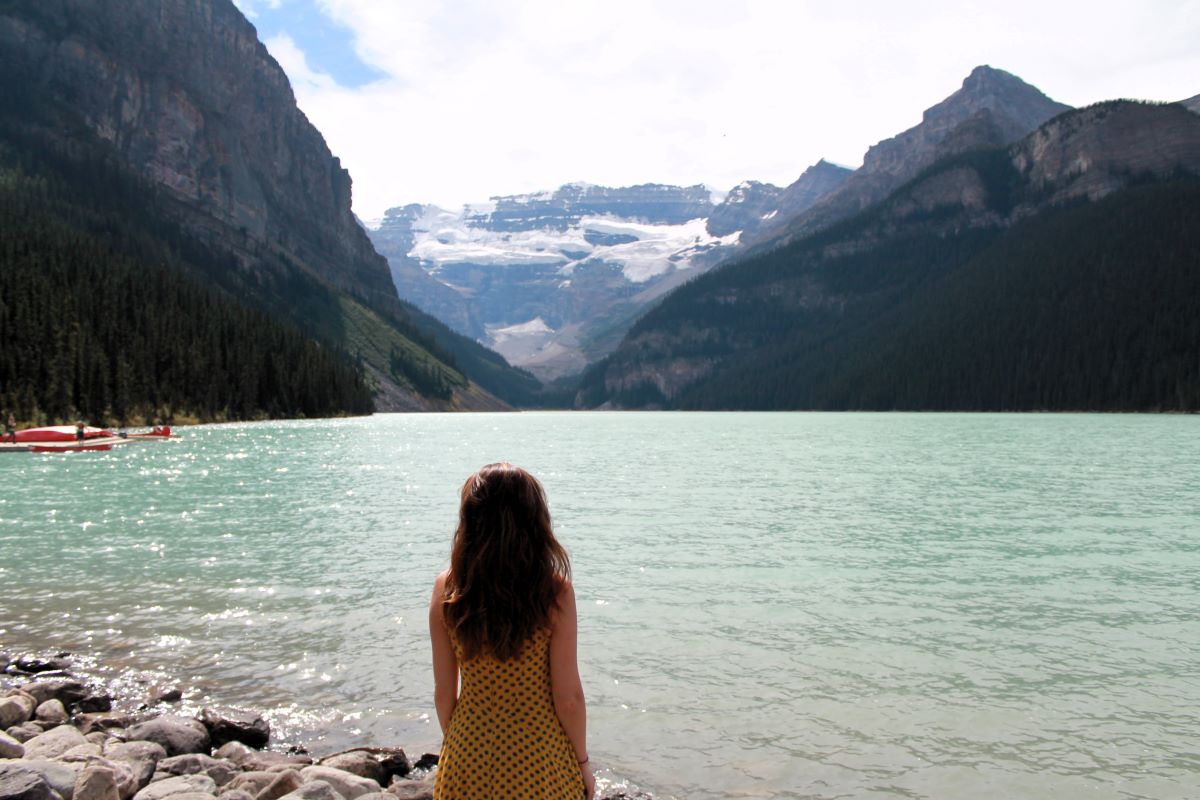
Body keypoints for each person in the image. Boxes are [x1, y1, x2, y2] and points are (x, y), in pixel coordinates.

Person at [429, 463, 594, 800]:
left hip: (467, 754)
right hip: (538, 760)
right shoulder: (553, 592)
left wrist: (461, 746)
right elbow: (569, 700)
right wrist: (582, 763)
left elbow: (445, 694)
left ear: (471, 523)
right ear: (535, 523)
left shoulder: (449, 587)